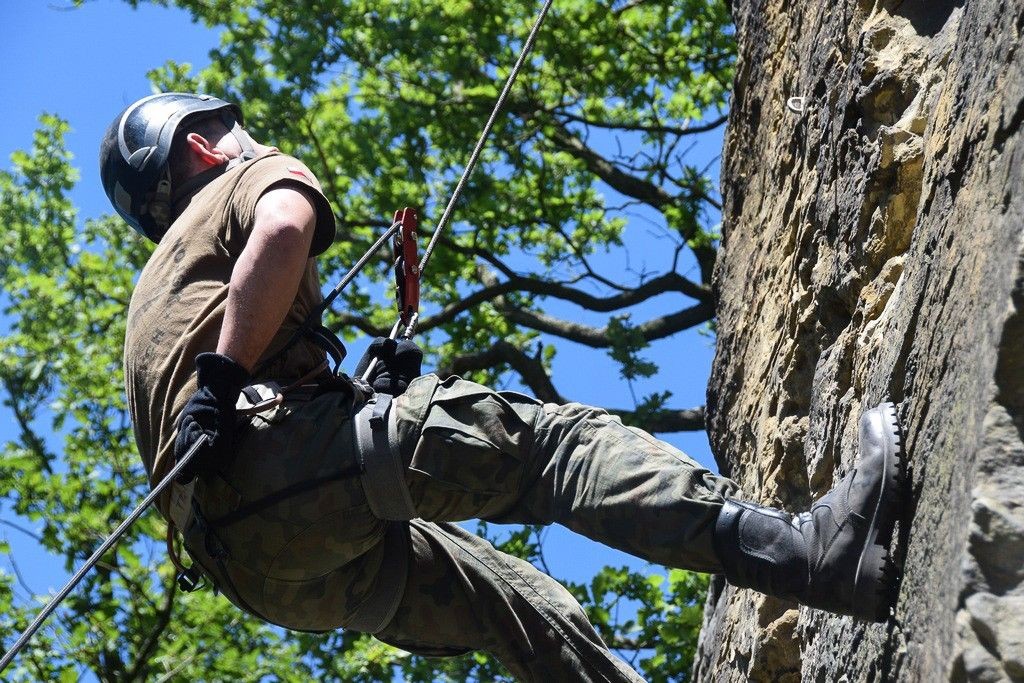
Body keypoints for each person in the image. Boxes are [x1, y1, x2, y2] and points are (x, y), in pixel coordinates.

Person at [101, 93, 905, 682]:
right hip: (281, 456)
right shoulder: (239, 179)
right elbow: (282, 231)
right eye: (232, 129)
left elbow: (237, 410)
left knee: (515, 607)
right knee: (549, 449)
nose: (247, 136)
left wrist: (341, 396)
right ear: (204, 147)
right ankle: (813, 553)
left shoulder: (152, 295)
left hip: (262, 570)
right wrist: (227, 377)